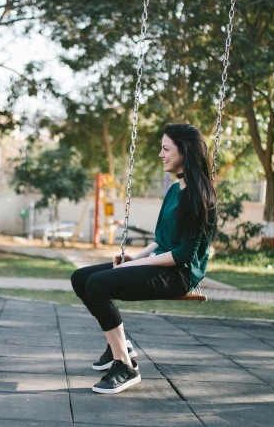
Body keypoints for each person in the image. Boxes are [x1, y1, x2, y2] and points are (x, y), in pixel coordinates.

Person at [70, 123, 216, 394]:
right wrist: (134, 256)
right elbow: (161, 239)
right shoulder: (175, 190)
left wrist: (137, 264)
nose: (161, 154)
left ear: (183, 151)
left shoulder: (198, 195)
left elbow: (184, 254)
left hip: (180, 273)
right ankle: (120, 344)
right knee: (81, 278)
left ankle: (124, 365)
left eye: (166, 148)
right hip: (161, 261)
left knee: (98, 285)